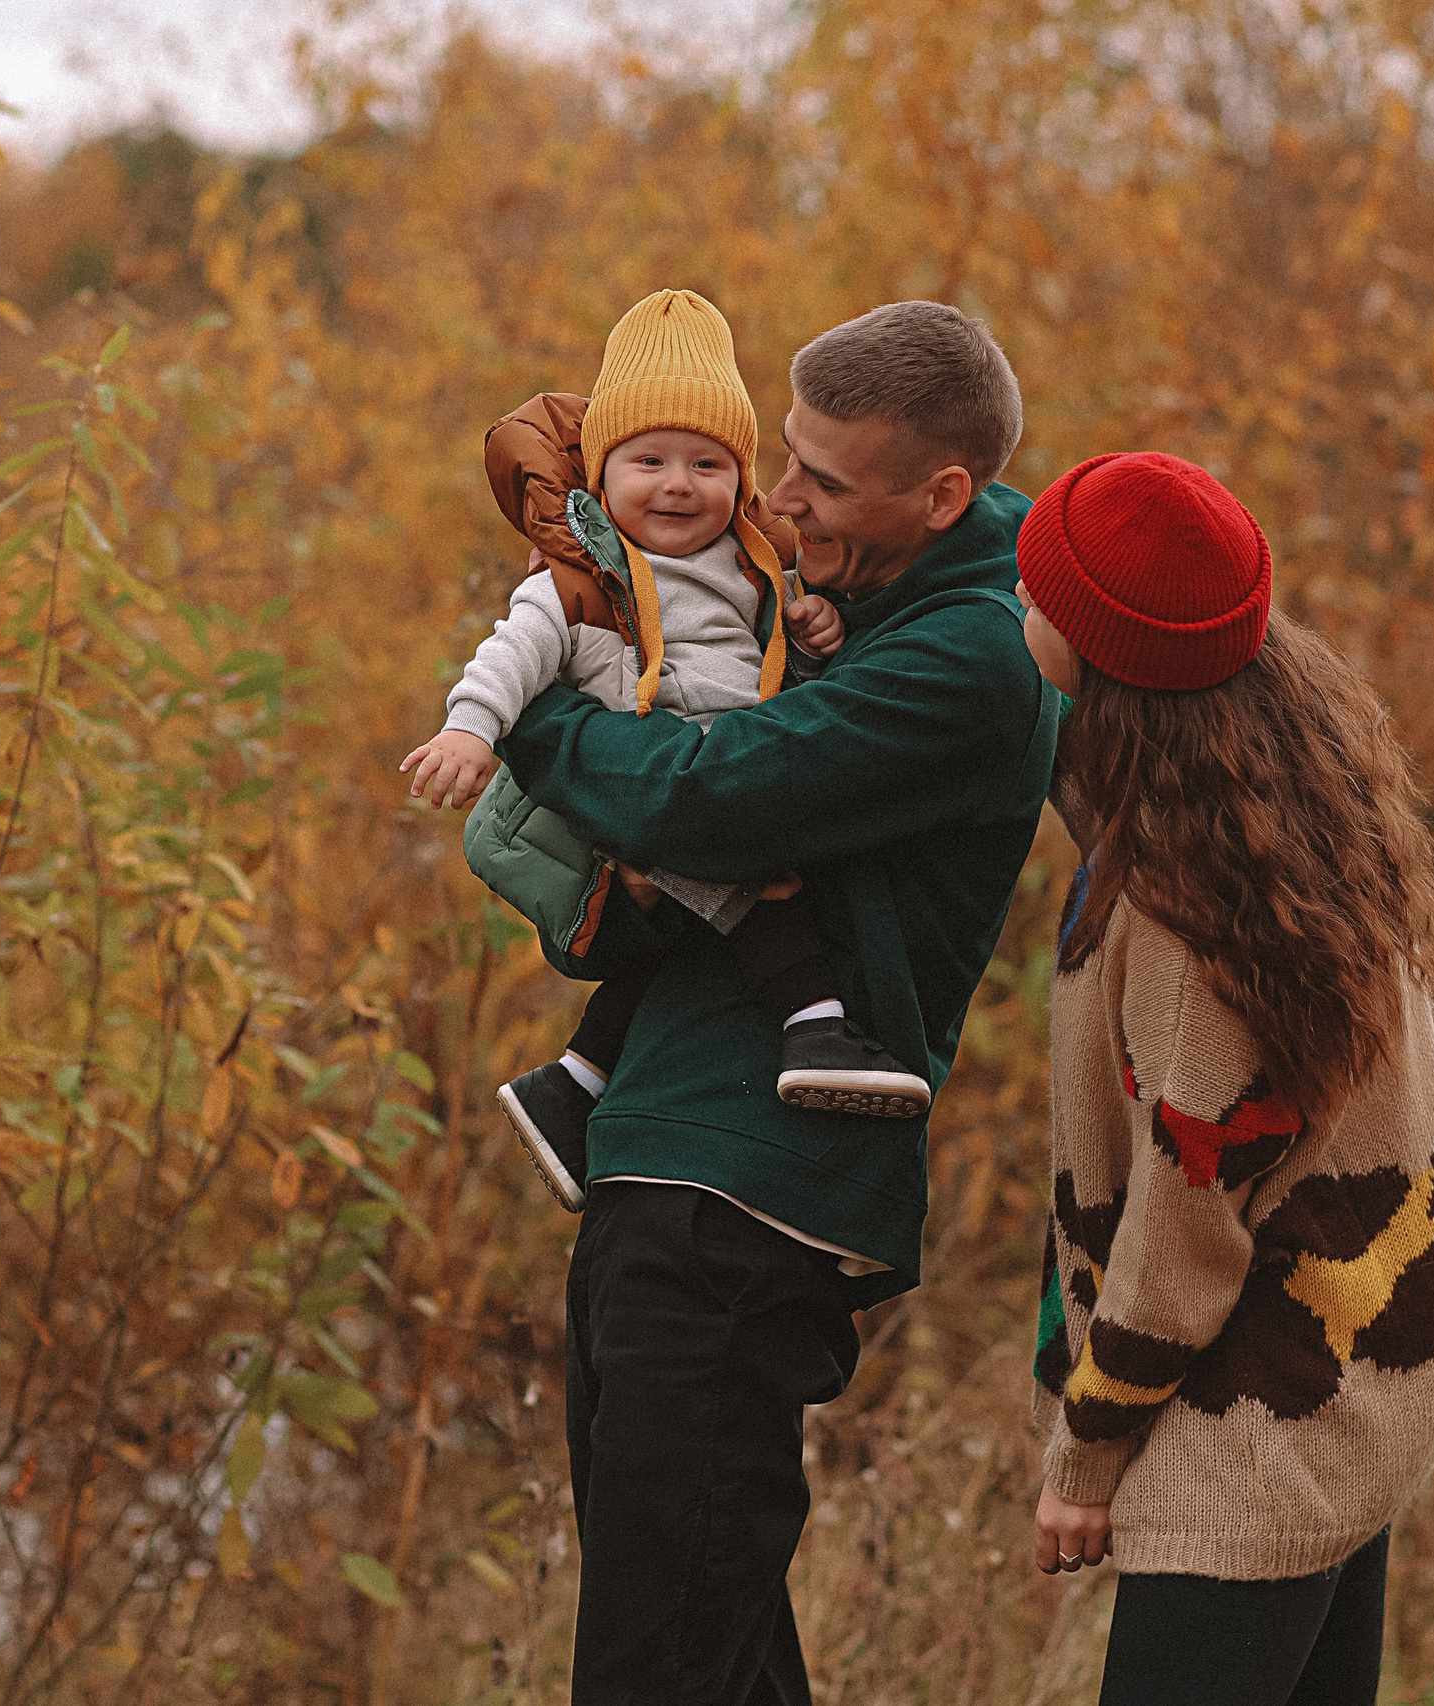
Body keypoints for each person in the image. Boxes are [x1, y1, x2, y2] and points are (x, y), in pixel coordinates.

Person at [494, 301, 1060, 1704]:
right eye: (784, 454)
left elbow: (706, 799)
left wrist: (536, 710)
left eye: (822, 479)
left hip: (744, 1201)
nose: (778, 496)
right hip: (664, 1156)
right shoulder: (860, 578)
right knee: (714, 1654)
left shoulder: (973, 654)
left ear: (941, 494)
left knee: (656, 1664)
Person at [1015, 452, 1434, 1706]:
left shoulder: (1183, 919)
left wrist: (1085, 1453)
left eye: (1033, 592)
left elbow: (1185, 1228)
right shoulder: (1274, 782)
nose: (1015, 603)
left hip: (1257, 1415)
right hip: (1350, 1388)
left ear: (1099, 653)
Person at [400, 290, 934, 1215]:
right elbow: (513, 653)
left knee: (690, 937)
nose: (678, 485)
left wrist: (811, 630)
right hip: (650, 786)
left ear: (741, 478)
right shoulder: (581, 578)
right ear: (603, 476)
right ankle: (816, 1027)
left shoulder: (750, 561)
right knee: (766, 892)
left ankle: (571, 1083)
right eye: (648, 461)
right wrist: (469, 727)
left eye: (707, 463)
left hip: (715, 767)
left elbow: (765, 656)